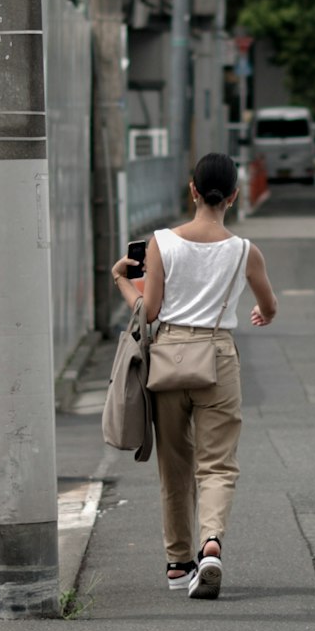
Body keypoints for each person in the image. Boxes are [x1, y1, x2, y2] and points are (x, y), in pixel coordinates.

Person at [113, 152, 276, 597]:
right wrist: (260, 310)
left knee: (175, 464)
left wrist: (122, 282)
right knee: (218, 463)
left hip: (168, 356)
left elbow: (148, 312)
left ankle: (177, 564)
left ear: (192, 191)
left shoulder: (161, 243)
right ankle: (211, 542)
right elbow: (269, 305)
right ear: (235, 196)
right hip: (217, 357)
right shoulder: (245, 251)